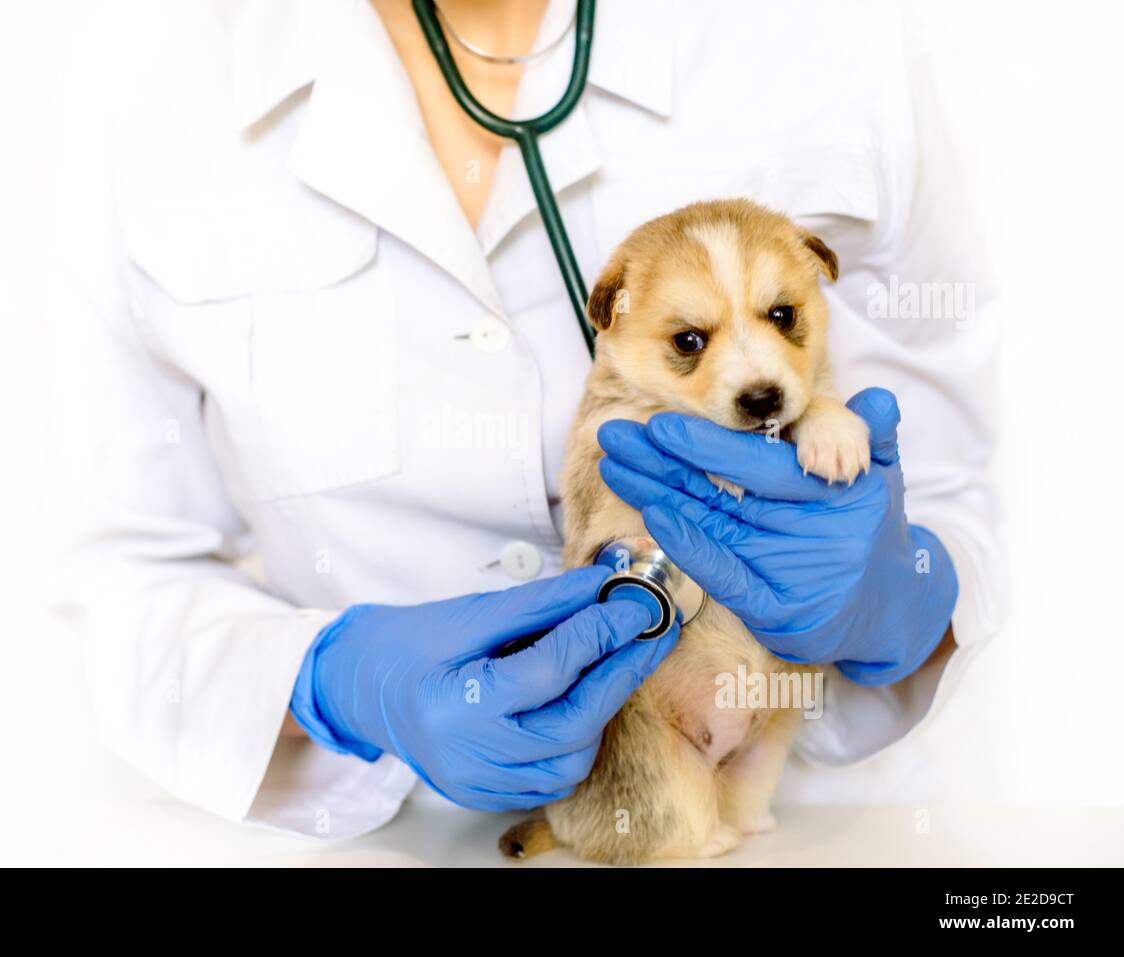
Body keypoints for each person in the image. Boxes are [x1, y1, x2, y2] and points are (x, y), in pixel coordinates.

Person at [49, 0, 1005, 838]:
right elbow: (122, 570)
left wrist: (903, 600)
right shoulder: (150, 78)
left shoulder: (829, 28)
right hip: (379, 836)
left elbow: (962, 490)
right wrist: (333, 682)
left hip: (804, 825)